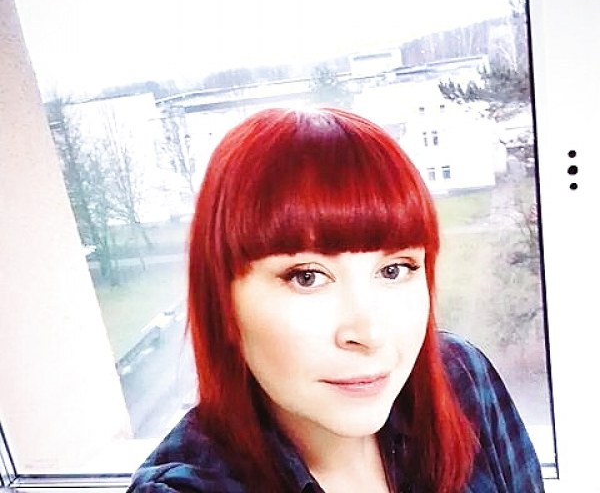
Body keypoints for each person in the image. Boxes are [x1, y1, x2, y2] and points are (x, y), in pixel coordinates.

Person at [128, 107, 544, 492]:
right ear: (223, 302)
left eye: (394, 270)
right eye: (307, 277)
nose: (369, 334)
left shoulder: (463, 378)